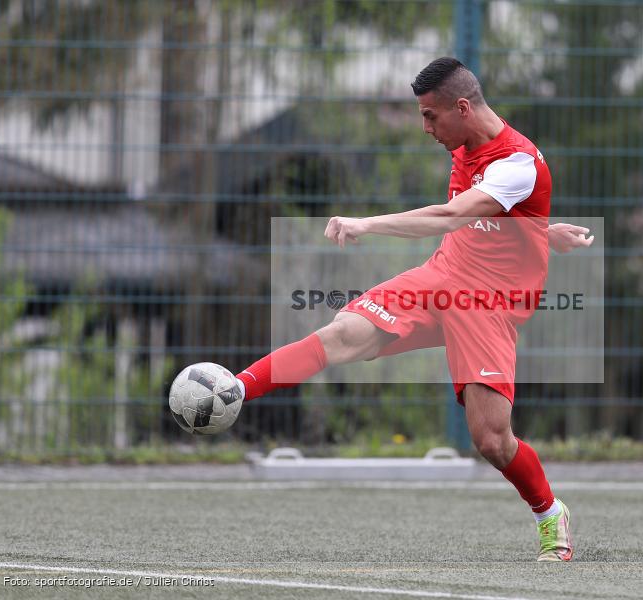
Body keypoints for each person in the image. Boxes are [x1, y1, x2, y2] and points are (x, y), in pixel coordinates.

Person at [232, 57, 592, 562]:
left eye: (430, 116)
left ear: (463, 108)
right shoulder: (465, 142)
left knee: (491, 440)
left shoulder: (517, 164)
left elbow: (451, 214)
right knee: (342, 333)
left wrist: (366, 224)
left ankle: (549, 511)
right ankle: (236, 388)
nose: (425, 128)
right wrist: (539, 231)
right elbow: (491, 216)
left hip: (486, 305)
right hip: (443, 275)